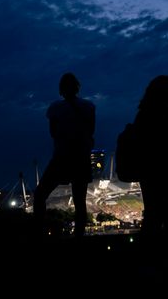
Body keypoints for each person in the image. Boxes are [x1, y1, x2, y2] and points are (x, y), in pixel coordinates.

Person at [34, 72, 96, 238]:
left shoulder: (55, 108)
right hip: (81, 158)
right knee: (80, 202)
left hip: (61, 157)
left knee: (40, 195)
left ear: (61, 89)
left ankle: (39, 233)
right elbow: (91, 131)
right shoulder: (89, 107)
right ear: (78, 87)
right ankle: (79, 237)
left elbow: (53, 133)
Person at [133, 75, 168, 248]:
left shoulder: (143, 114)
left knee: (152, 214)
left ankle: (148, 257)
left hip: (147, 171)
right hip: (164, 169)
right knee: (167, 215)